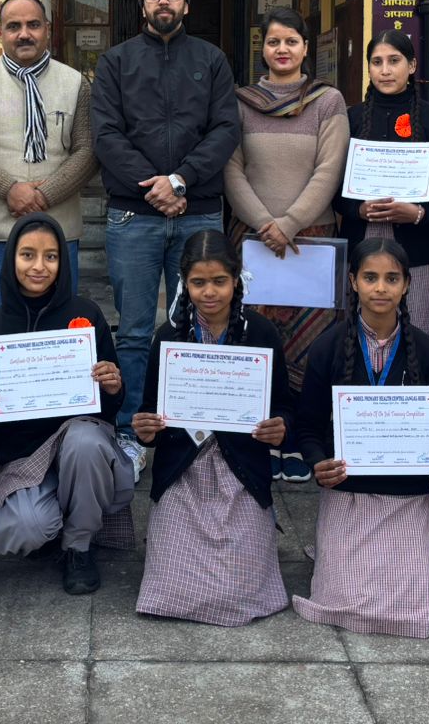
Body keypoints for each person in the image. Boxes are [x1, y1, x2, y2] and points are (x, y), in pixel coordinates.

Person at [93, 0, 241, 479]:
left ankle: (193, 427)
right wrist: (156, 187)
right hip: (134, 216)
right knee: (134, 330)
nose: (163, 0)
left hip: (197, 212)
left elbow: (225, 129)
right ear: (142, 4)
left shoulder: (212, 60)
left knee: (200, 324)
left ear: (186, 3)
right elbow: (106, 134)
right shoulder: (115, 62)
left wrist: (180, 180)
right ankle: (133, 433)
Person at [0, 0, 96, 477]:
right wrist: (8, 188)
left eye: (33, 24)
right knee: (0, 332)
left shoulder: (75, 83)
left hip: (58, 230)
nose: (24, 34)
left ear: (47, 29)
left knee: (59, 332)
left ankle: (60, 427)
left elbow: (87, 151)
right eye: (13, 26)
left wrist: (43, 194)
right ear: (0, 32)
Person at [292, 238, 429, 637]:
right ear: (353, 282)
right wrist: (318, 462)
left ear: (406, 284)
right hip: (348, 492)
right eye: (370, 277)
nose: (380, 288)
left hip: (407, 496)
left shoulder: (428, 351)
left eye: (391, 278)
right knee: (341, 599)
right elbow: (308, 425)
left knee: (419, 606)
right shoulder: (328, 346)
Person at [0, 213, 133, 596]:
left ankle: (79, 546)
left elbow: (110, 408)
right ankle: (57, 519)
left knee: (84, 441)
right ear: (11, 258)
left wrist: (112, 384)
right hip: (25, 456)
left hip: (82, 449)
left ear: (63, 261)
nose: (39, 266)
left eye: (51, 256)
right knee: (28, 528)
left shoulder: (86, 315)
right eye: (27, 255)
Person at [132, 230, 294, 626]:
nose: (209, 292)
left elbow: (285, 406)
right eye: (198, 282)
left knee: (241, 587)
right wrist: (146, 429)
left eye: (219, 281)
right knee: (171, 587)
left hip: (242, 471)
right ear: (184, 284)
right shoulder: (168, 338)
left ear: (236, 279)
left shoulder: (261, 333)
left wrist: (280, 428)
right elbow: (150, 410)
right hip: (183, 472)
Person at [224, 7, 348, 481]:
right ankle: (257, 433)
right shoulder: (240, 102)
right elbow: (231, 168)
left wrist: (290, 223)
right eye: (274, 41)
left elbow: (329, 169)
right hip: (252, 241)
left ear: (305, 48)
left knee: (310, 342)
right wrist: (264, 223)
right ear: (263, 48)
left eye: (291, 41)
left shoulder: (327, 101)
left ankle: (297, 438)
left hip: (311, 242)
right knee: (255, 336)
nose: (282, 49)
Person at [334, 30, 429, 349]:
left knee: (419, 337)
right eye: (377, 62)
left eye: (394, 61)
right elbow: (333, 186)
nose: (385, 70)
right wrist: (358, 208)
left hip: (420, 246)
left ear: (412, 66)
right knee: (361, 343)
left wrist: (418, 213)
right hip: (362, 237)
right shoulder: (350, 119)